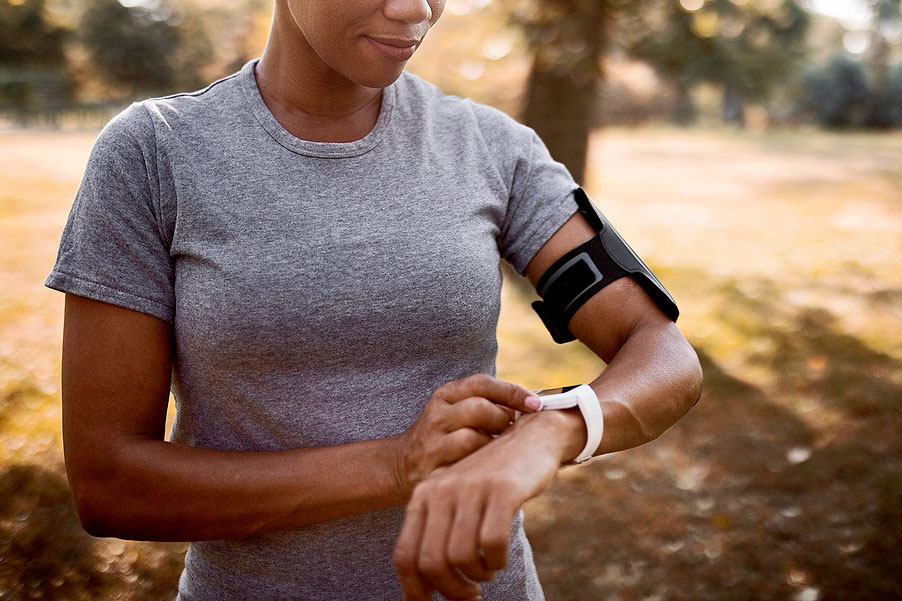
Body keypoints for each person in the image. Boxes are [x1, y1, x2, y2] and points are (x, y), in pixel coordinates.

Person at [45, 0, 703, 600]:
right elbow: (109, 482)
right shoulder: (154, 155)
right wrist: (393, 464)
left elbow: (664, 354)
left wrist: (556, 428)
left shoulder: (492, 150)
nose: (416, 9)